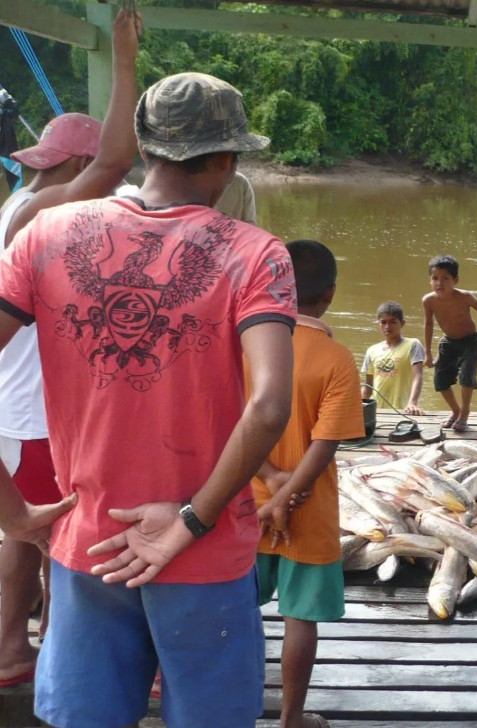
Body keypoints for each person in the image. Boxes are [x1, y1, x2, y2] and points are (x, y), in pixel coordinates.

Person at [0, 70, 296, 728]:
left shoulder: (45, 235)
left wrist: (13, 513)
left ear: (142, 146)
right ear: (226, 159)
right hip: (206, 553)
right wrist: (190, 520)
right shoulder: (256, 254)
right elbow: (271, 406)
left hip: (88, 543)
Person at [0, 8, 140, 689]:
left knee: (22, 535)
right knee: (58, 538)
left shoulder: (15, 206)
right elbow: (117, 161)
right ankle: (53, 653)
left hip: (14, 410)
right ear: (77, 168)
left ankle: (13, 652)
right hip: (33, 416)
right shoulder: (41, 210)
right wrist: (123, 56)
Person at [253, 239, 364, 728]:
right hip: (310, 508)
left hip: (246, 501)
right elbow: (326, 443)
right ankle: (290, 719)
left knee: (233, 608)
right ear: (331, 294)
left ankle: (225, 705)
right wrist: (291, 493)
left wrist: (271, 481)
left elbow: (233, 423)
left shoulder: (251, 346)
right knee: (300, 619)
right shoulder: (337, 358)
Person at [422, 254, 477, 433]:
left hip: (471, 342)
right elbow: (428, 324)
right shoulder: (429, 300)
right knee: (440, 380)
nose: (439, 283)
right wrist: (428, 352)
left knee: (467, 378)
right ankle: (455, 410)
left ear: (455, 280)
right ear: (430, 280)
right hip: (448, 343)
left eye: (445, 279)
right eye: (435, 278)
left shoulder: (464, 297)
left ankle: (464, 412)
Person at [362, 301, 426, 415]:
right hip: (377, 411)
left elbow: (418, 376)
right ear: (378, 324)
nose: (387, 326)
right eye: (383, 322)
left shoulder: (413, 345)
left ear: (402, 323)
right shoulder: (371, 351)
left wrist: (412, 403)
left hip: (403, 410)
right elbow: (368, 388)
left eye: (393, 322)